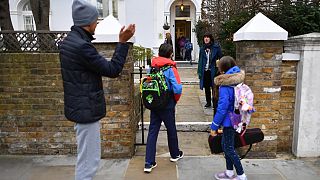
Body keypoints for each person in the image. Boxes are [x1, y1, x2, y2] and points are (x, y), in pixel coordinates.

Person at [59, 0, 135, 180]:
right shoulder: (82, 47)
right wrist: (122, 42)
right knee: (89, 161)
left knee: (84, 157)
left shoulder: (69, 41)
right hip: (86, 111)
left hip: (78, 107)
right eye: (95, 19)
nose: (97, 23)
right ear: (87, 22)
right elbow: (112, 70)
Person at [144, 43, 183, 173]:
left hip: (154, 103)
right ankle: (175, 154)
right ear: (170, 53)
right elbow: (177, 88)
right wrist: (174, 100)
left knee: (152, 131)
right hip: (167, 103)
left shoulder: (153, 66)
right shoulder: (171, 68)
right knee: (171, 129)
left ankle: (149, 162)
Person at [210, 56, 247, 180]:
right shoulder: (238, 79)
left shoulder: (226, 85)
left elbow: (222, 108)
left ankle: (241, 175)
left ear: (223, 69)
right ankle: (229, 172)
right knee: (226, 145)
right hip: (236, 119)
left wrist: (214, 126)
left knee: (229, 148)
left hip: (229, 121)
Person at [197, 33, 222, 109]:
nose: (206, 39)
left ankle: (214, 101)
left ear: (210, 38)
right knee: (207, 87)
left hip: (213, 70)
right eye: (205, 37)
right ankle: (208, 102)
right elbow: (200, 60)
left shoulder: (216, 47)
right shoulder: (202, 48)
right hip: (205, 71)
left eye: (207, 37)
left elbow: (220, 58)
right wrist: (199, 71)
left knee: (214, 87)